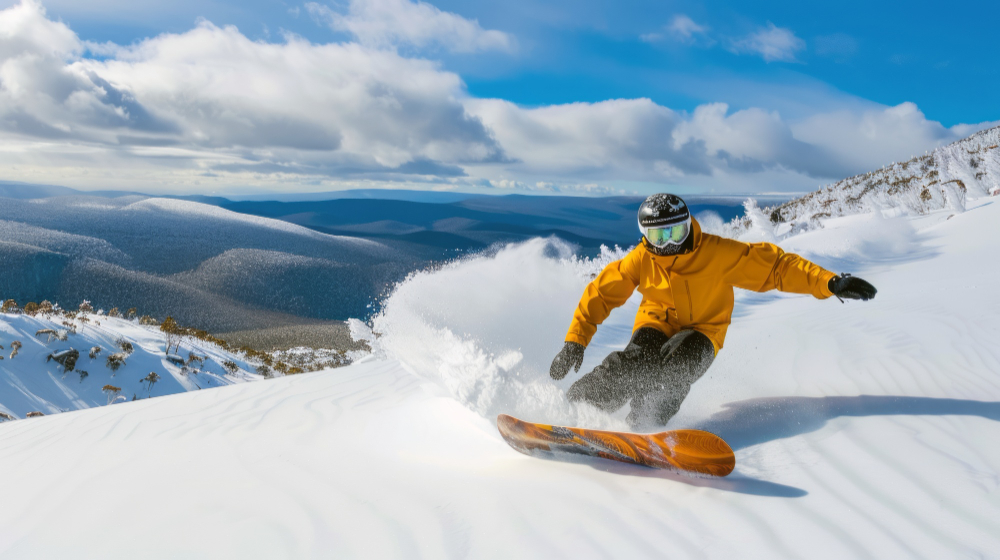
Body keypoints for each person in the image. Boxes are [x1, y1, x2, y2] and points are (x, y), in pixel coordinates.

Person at [549, 193, 877, 430]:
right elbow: (602, 293)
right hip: (656, 321)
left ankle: (643, 426)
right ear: (644, 236)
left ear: (688, 226)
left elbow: (776, 268)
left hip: (704, 330)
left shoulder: (717, 253)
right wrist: (575, 341)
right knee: (630, 366)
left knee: (674, 370)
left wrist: (829, 282)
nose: (667, 244)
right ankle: (574, 409)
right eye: (657, 236)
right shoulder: (642, 258)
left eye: (674, 233)